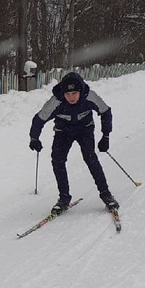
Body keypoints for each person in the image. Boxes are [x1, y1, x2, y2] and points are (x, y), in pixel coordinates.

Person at [29, 70, 118, 215]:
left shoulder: (89, 96)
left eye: (74, 93)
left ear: (80, 91)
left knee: (90, 158)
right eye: (67, 94)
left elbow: (106, 112)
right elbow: (39, 119)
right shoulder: (56, 101)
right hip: (63, 132)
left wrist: (106, 136)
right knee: (57, 160)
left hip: (85, 130)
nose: (71, 97)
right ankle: (64, 198)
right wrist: (34, 138)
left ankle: (106, 194)